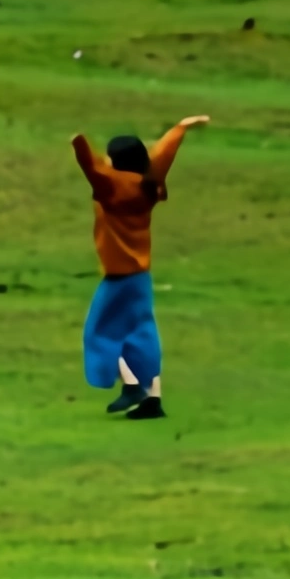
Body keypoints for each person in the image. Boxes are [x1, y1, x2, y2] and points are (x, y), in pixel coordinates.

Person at [71, 114, 210, 420]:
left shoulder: (112, 189)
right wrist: (180, 128)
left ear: (116, 163)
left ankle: (132, 385)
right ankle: (153, 398)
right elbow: (162, 156)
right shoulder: (149, 186)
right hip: (141, 277)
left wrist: (79, 144)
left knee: (100, 333)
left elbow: (91, 169)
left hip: (117, 276)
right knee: (142, 333)